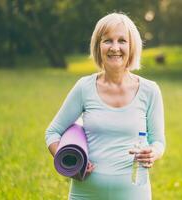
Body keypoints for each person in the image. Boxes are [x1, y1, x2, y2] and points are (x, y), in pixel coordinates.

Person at [45, 12, 166, 200]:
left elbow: (158, 141)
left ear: (132, 46)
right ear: (98, 46)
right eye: (107, 40)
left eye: (122, 41)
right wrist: (71, 165)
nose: (115, 47)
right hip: (85, 193)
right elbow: (52, 133)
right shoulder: (84, 87)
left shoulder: (150, 91)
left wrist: (153, 153)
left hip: (134, 193)